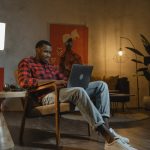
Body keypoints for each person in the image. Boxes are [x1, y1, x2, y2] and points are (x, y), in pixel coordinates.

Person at [18, 40, 137, 150]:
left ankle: (108, 131)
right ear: (37, 50)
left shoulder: (50, 66)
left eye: (50, 52)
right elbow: (24, 82)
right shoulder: (27, 62)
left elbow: (63, 79)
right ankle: (110, 139)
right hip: (45, 96)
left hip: (61, 92)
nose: (48, 55)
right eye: (45, 52)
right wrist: (55, 82)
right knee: (79, 91)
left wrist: (72, 80)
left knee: (101, 85)